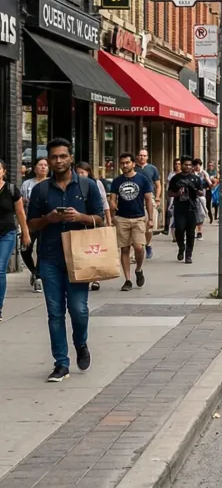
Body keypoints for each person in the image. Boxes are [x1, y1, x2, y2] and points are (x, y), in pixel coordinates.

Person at [26, 138, 108, 382]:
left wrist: (80, 217)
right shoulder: (40, 190)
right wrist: (48, 219)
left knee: (79, 310)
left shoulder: (87, 186)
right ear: (48, 161)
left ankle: (81, 343)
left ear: (70, 158)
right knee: (54, 313)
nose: (58, 161)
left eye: (63, 156)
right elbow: (31, 224)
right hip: (50, 257)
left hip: (79, 257)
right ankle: (61, 363)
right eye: (54, 157)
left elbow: (101, 219)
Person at [109, 153, 154, 292]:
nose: (125, 165)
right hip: (122, 218)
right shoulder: (116, 181)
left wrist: (151, 218)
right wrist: (112, 207)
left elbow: (148, 199)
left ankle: (139, 269)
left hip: (138, 217)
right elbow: (112, 199)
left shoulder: (142, 179)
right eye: (122, 163)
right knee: (125, 249)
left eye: (127, 162)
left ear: (133, 164)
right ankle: (127, 280)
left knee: (139, 247)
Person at [0, 158, 31, 321]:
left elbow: (20, 213)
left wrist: (25, 233)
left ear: (3, 172)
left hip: (7, 234)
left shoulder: (12, 190)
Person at [75, 162, 109, 292]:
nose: (80, 175)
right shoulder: (74, 185)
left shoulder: (95, 184)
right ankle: (85, 275)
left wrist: (108, 220)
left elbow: (104, 202)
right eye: (78, 172)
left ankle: (96, 278)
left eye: (82, 172)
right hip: (79, 223)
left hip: (94, 220)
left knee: (95, 250)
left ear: (88, 172)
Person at [21, 157, 49, 293]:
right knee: (25, 249)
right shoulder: (27, 184)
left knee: (41, 250)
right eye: (40, 165)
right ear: (35, 168)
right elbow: (19, 203)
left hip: (46, 222)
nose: (43, 167)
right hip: (30, 222)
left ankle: (38, 278)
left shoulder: (51, 183)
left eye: (45, 165)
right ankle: (33, 271)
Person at [168, 159, 203, 264]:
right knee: (179, 229)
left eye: (189, 165)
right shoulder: (175, 178)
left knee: (191, 233)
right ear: (181, 165)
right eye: (185, 165)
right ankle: (181, 247)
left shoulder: (196, 179)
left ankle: (188, 255)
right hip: (179, 207)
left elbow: (201, 193)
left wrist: (195, 190)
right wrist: (177, 193)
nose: (187, 167)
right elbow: (169, 193)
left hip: (191, 207)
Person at [134, 150, 161, 259]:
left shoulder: (152, 168)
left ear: (147, 157)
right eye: (140, 155)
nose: (142, 157)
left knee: (149, 226)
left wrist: (158, 198)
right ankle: (139, 247)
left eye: (144, 156)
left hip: (150, 198)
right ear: (137, 157)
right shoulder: (133, 168)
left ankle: (148, 244)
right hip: (136, 199)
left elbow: (158, 185)